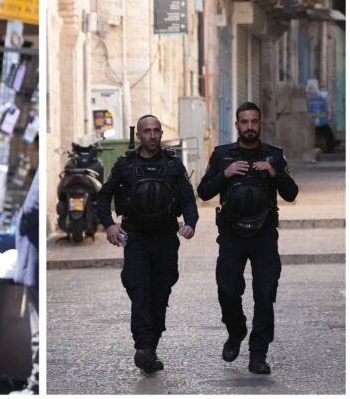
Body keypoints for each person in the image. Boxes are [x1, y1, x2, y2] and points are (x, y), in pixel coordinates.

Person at [197, 102, 298, 374]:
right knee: (227, 290)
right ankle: (236, 329)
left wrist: (275, 173)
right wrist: (225, 174)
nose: (250, 127)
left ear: (260, 123)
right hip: (231, 234)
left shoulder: (274, 155)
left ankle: (258, 354)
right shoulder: (222, 155)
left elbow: (291, 193)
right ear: (237, 125)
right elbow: (204, 192)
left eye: (254, 122)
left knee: (265, 294)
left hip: (264, 234)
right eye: (245, 122)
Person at [96, 115, 199, 373]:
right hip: (137, 237)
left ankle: (150, 348)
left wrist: (190, 223)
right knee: (139, 289)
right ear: (139, 135)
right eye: (146, 131)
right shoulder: (125, 166)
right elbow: (102, 197)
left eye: (156, 131)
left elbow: (188, 200)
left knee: (160, 292)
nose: (152, 136)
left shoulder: (174, 166)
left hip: (165, 237)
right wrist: (109, 224)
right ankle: (143, 345)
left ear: (161, 133)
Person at [11, 172, 39, 394]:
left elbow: (34, 206)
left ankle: (36, 385)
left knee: (38, 327)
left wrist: (21, 222)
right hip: (34, 258)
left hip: (35, 257)